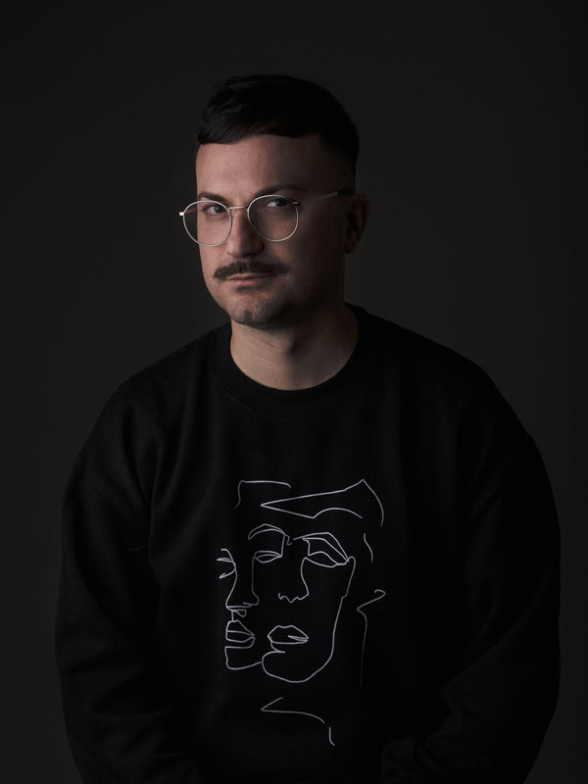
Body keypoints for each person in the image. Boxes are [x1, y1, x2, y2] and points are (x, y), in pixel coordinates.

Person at [55, 74, 560, 784]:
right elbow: (100, 678)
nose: (239, 241)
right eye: (214, 209)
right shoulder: (141, 429)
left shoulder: (458, 420)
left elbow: (509, 676)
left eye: (277, 206)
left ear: (352, 222)